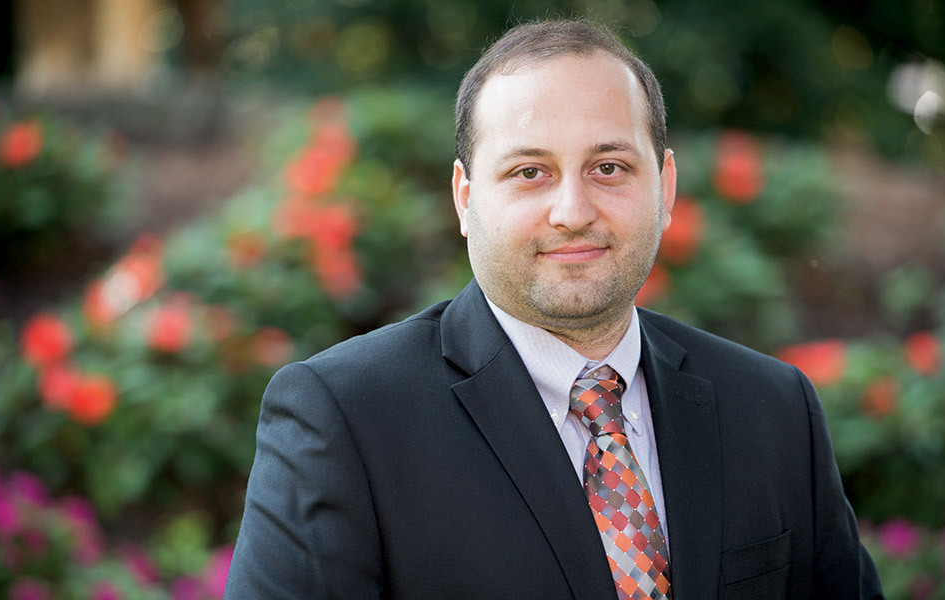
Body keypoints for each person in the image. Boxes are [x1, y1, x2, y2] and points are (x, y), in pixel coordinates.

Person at [225, 18, 884, 600]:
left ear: (665, 187)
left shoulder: (774, 410)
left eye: (609, 167)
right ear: (465, 198)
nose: (572, 212)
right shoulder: (344, 419)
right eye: (529, 172)